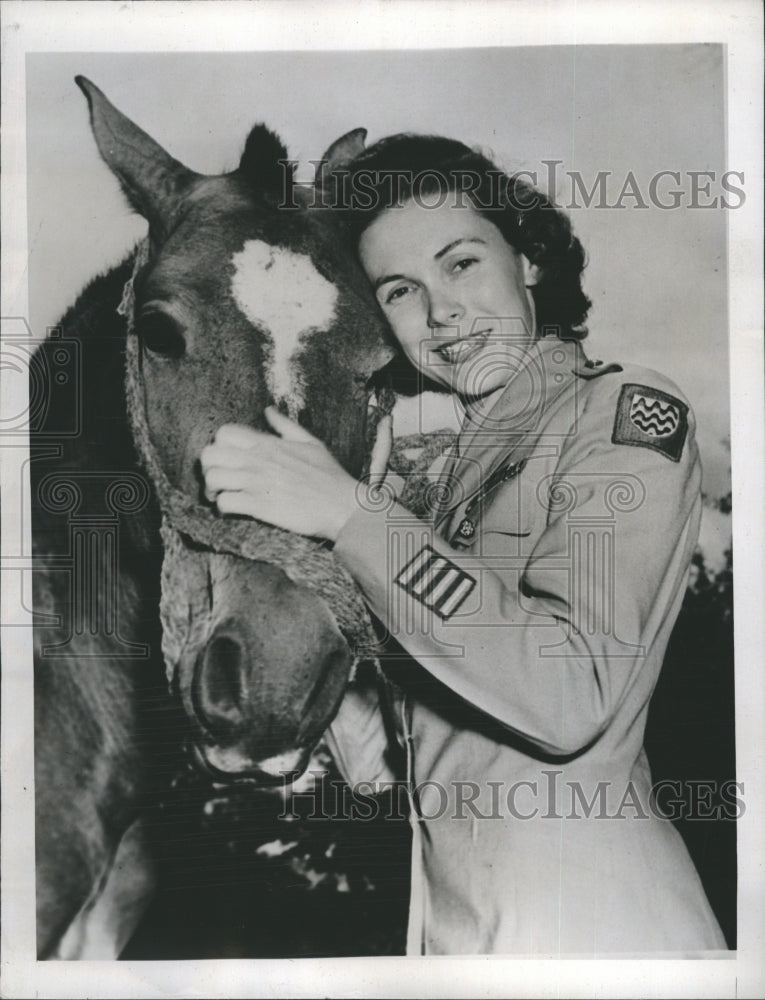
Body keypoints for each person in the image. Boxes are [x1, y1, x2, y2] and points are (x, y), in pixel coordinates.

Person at [200, 134, 727, 955]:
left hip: (592, 933)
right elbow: (387, 769)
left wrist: (351, 517)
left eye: (461, 264)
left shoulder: (621, 412)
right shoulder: (435, 492)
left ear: (529, 260)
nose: (441, 312)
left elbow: (567, 695)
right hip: (452, 936)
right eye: (401, 289)